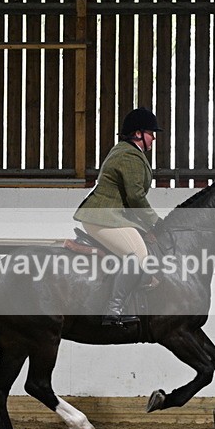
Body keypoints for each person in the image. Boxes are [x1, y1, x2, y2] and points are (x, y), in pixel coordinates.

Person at [74, 107, 162, 326]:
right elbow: (136, 197)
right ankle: (114, 309)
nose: (154, 138)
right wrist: (157, 223)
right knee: (138, 256)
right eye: (152, 133)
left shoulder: (127, 152)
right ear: (138, 134)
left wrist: (147, 228)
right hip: (102, 217)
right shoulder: (128, 155)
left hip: (111, 217)